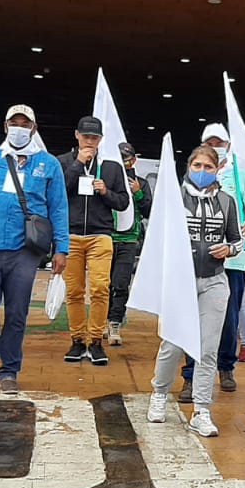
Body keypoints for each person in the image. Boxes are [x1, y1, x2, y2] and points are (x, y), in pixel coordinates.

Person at [0, 105, 70, 395]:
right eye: (14, 123)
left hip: (25, 250)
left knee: (16, 312)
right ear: (5, 127)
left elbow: (59, 207)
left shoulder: (49, 164)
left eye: (25, 124)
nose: (19, 128)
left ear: (33, 129)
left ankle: (9, 370)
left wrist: (61, 248)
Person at [147, 144, 240, 438]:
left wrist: (229, 249)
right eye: (197, 165)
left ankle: (201, 410)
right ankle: (159, 394)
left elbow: (237, 240)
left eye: (208, 166)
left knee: (207, 349)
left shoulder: (226, 201)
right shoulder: (174, 198)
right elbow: (156, 236)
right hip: (179, 281)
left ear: (217, 169)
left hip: (214, 280)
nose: (202, 171)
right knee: (172, 344)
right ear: (188, 167)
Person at [180, 123, 245, 397]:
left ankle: (226, 367)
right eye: (210, 142)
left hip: (233, 264)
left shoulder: (241, 177)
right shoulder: (185, 188)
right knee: (192, 321)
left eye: (219, 143)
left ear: (227, 146)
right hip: (194, 265)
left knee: (228, 320)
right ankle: (190, 375)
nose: (215, 146)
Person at [57, 116, 130, 366]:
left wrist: (105, 192)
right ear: (77, 135)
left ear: (100, 140)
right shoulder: (63, 162)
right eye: (86, 136)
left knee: (100, 288)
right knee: (74, 291)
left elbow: (123, 202)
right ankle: (78, 340)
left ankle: (96, 341)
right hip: (71, 234)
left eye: (94, 137)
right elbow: (58, 192)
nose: (90, 141)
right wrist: (78, 163)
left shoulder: (111, 168)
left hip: (101, 235)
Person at [105, 142, 153, 348]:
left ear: (133, 160)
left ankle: (115, 322)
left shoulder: (141, 183)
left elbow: (150, 211)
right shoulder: (106, 179)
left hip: (129, 239)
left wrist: (138, 193)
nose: (123, 162)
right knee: (103, 284)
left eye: (126, 158)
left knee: (121, 283)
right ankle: (104, 320)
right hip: (106, 237)